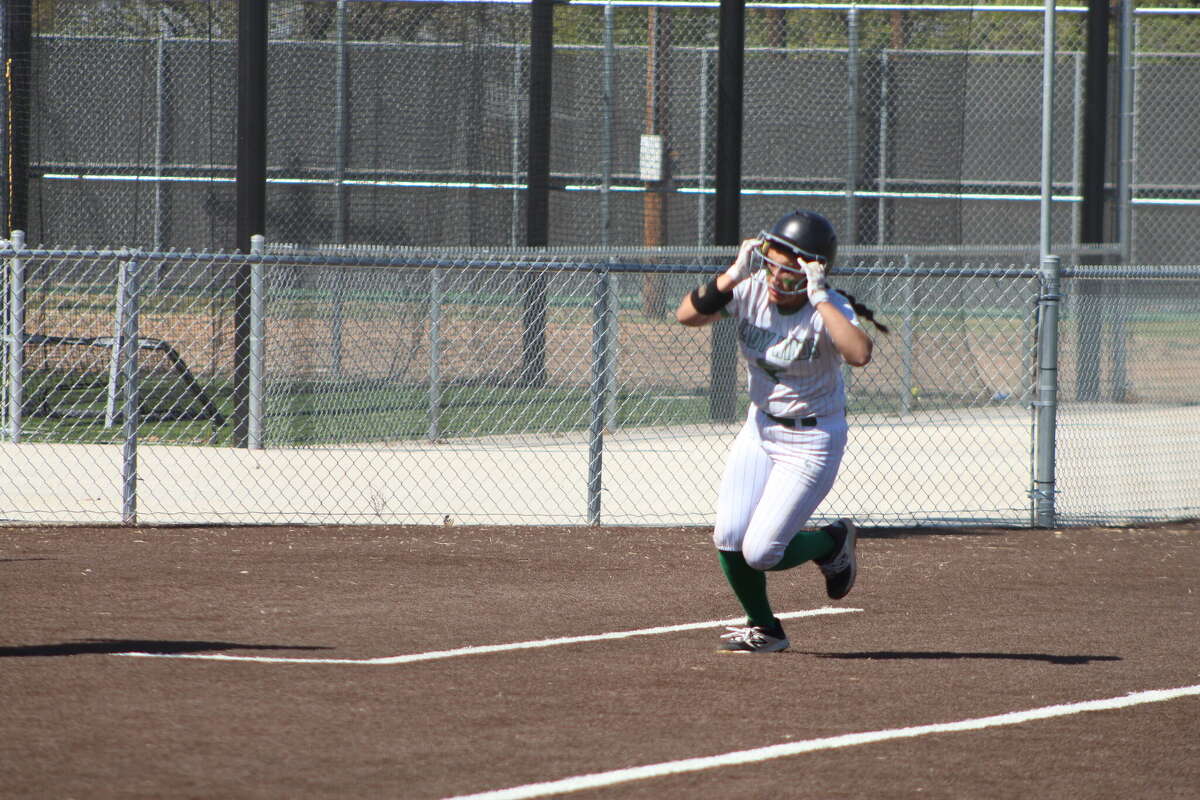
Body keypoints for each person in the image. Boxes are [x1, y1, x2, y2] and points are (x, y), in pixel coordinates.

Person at [675, 209, 889, 653]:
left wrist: (821, 295)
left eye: (789, 268)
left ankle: (831, 543)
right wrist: (733, 275)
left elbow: (860, 353)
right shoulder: (751, 289)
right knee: (729, 538)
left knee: (762, 552)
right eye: (771, 261)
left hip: (811, 439)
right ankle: (766, 628)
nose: (775, 274)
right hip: (760, 429)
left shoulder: (826, 306)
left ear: (814, 269)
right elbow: (687, 316)